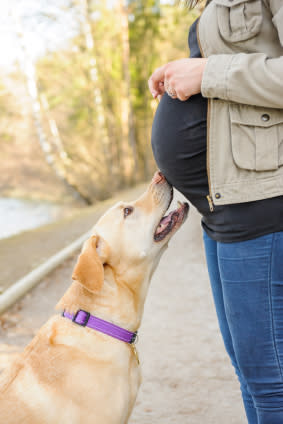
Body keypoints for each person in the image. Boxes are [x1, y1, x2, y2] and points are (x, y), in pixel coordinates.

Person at [148, 0, 283, 423]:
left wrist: (207, 74)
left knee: (271, 382)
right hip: (222, 202)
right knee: (251, 374)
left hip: (261, 202)